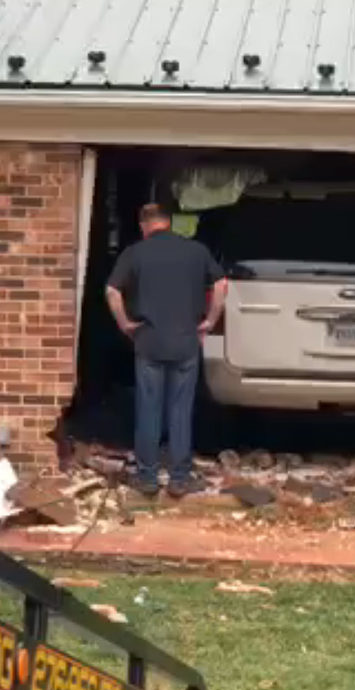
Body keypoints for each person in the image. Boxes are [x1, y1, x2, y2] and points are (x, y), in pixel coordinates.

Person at [105, 203, 228, 498]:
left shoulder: (135, 253)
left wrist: (125, 323)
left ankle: (147, 478)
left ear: (143, 225)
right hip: (186, 341)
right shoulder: (196, 251)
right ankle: (179, 479)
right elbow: (222, 284)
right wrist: (210, 321)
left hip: (149, 341)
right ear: (168, 223)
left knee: (149, 409)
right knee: (180, 410)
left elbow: (112, 291)